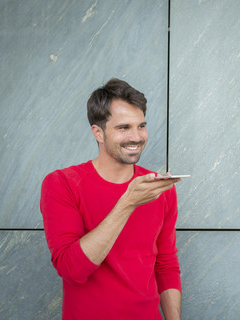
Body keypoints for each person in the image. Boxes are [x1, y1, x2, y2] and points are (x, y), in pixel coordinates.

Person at [40, 78, 182, 320]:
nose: (137, 137)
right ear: (98, 133)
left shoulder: (157, 187)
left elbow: (166, 264)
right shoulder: (62, 183)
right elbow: (71, 270)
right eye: (123, 127)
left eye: (141, 126)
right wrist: (128, 203)